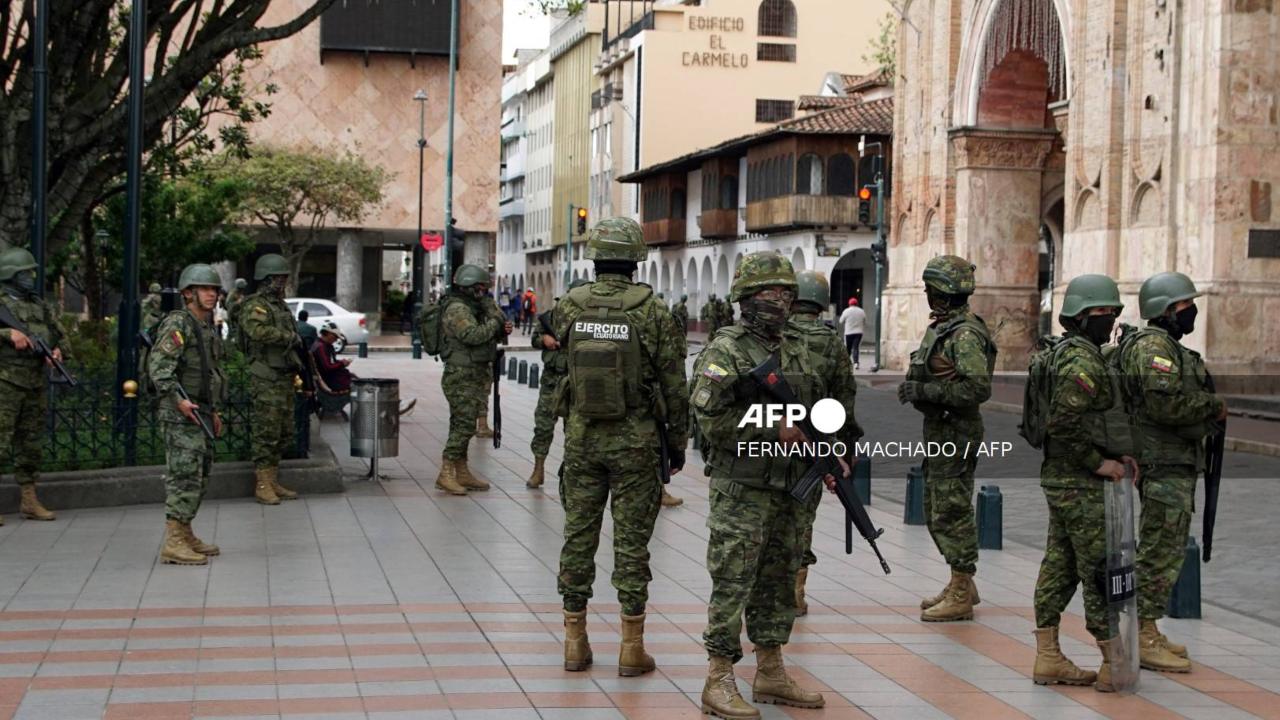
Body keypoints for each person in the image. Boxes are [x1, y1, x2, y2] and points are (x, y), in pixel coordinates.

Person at [691, 252, 839, 718]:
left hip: (792, 487)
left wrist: (834, 450)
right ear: (746, 299)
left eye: (787, 292)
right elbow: (709, 419)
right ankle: (718, 677)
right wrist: (771, 430)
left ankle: (771, 670)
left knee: (778, 581)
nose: (781, 300)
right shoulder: (725, 350)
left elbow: (818, 407)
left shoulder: (797, 346)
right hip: (745, 489)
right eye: (771, 293)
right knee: (734, 580)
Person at [550, 217, 688, 678]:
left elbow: (560, 367)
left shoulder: (569, 306)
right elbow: (674, 381)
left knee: (578, 538)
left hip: (583, 440)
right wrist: (679, 442)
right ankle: (631, 649)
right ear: (635, 259)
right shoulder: (652, 310)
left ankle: (574, 642)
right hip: (636, 444)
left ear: (594, 257)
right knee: (631, 546)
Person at [1117, 271, 1225, 674]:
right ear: (1165, 311)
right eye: (1184, 305)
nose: (1191, 311)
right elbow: (1163, 406)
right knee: (1160, 551)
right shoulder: (1155, 350)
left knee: (1165, 548)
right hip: (1164, 463)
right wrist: (1211, 408)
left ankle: (1148, 628)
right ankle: (1142, 633)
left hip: (1171, 461)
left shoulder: (1162, 347)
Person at [1031, 274, 1130, 691]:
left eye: (1113, 312)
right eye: (1106, 313)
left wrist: (1111, 453)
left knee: (1061, 564)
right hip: (1080, 483)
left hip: (1061, 479)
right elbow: (1065, 423)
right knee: (1097, 568)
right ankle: (1112, 660)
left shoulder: (1062, 353)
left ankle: (1048, 655)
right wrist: (1099, 464)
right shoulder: (1083, 360)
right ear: (1084, 315)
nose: (1111, 320)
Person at [897, 255, 996, 622]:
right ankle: (961, 582)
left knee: (950, 511)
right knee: (936, 508)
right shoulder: (945, 327)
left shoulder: (964, 334)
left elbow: (977, 389)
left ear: (942, 292)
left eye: (930, 289)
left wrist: (926, 391)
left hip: (956, 432)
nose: (927, 294)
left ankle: (961, 586)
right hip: (941, 431)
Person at [786, 270, 862, 617]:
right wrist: (845, 445)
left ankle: (772, 585)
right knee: (803, 518)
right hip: (817, 442)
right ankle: (796, 590)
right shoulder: (830, 341)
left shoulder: (777, 333)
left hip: (776, 436)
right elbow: (845, 396)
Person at [149, 263, 228, 566]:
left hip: (200, 411)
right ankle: (173, 541)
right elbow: (160, 369)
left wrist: (214, 410)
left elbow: (211, 374)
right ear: (188, 293)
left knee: (200, 475)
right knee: (184, 476)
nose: (212, 294)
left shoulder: (205, 326)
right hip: (181, 413)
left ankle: (185, 531)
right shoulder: (178, 324)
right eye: (205, 289)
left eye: (215, 290)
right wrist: (179, 402)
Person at [0, 247, 67, 524]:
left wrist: (58, 350)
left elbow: (58, 332)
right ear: (11, 275)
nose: (30, 277)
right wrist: (7, 333)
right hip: (5, 381)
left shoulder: (39, 304)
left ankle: (29, 499)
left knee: (30, 444)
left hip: (34, 382)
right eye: (25, 272)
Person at [236, 254, 305, 505]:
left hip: (283, 376)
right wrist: (288, 337)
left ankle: (273, 479)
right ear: (267, 279)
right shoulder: (255, 305)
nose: (283, 281)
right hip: (265, 377)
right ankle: (262, 483)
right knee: (266, 431)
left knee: (283, 431)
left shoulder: (280, 305)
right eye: (279, 277)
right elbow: (257, 331)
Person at [436, 264, 512, 495]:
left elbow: (488, 330)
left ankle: (462, 470)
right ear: (469, 286)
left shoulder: (474, 307)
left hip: (473, 373)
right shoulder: (457, 309)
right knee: (464, 425)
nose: (483, 292)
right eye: (480, 287)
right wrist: (494, 324)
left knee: (464, 424)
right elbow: (471, 335)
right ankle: (446, 472)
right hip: (461, 374)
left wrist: (499, 325)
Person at [528, 281, 588, 488]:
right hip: (552, 381)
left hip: (578, 382)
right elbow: (534, 338)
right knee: (543, 425)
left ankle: (571, 473)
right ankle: (538, 468)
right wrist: (544, 339)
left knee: (575, 431)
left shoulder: (590, 318)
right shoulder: (553, 315)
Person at [313, 320, 353, 392]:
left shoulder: (326, 345)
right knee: (355, 383)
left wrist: (341, 362)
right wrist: (342, 364)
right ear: (328, 334)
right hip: (330, 379)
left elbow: (331, 362)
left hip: (332, 377)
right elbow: (327, 367)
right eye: (335, 336)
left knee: (353, 377)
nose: (336, 339)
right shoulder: (321, 347)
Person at [839, 297, 867, 369]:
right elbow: (864, 321)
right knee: (856, 348)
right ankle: (856, 363)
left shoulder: (846, 311)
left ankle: (847, 363)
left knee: (848, 348)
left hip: (848, 332)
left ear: (849, 304)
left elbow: (841, 321)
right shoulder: (861, 311)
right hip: (858, 332)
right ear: (856, 304)